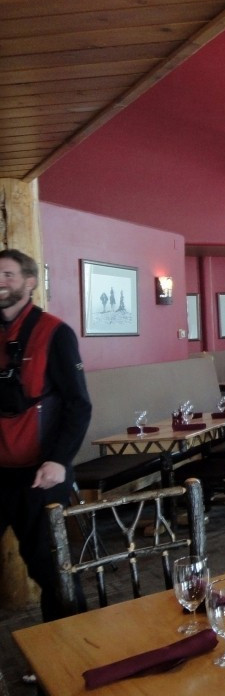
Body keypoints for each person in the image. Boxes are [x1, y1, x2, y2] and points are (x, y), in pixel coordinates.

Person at [0, 249, 92, 621]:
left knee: (50, 567)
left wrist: (59, 460)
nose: (0, 282)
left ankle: (73, 643)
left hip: (42, 473)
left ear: (30, 282)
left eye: (7, 274)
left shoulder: (54, 332)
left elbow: (78, 404)